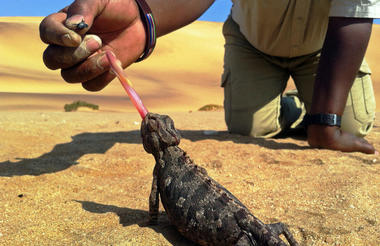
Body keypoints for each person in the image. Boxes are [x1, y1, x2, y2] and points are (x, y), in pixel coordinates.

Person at [39, 0, 380, 154]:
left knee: (347, 127)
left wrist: (324, 122)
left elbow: (357, 13)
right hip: (252, 44)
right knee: (251, 128)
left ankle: (312, 107)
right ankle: (292, 107)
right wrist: (144, 18)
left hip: (323, 46)